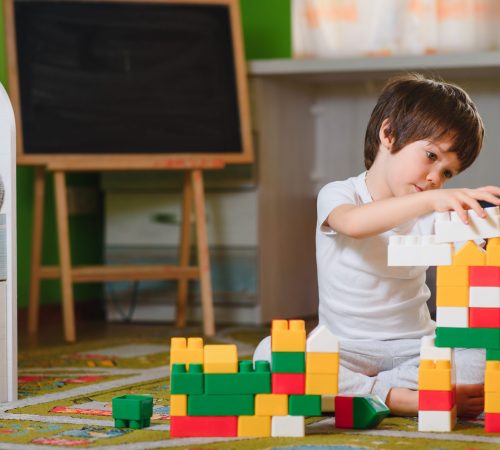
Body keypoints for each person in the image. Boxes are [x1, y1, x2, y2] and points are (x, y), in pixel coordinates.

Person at [253, 73, 500, 417]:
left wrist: (484, 235)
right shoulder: (340, 195)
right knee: (269, 354)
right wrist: (434, 201)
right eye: (431, 156)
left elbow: (473, 264)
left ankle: (380, 389)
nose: (435, 179)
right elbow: (354, 224)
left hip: (416, 346)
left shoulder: (434, 212)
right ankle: (390, 394)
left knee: (483, 353)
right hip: (345, 347)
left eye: (447, 174)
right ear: (389, 134)